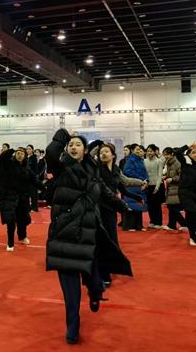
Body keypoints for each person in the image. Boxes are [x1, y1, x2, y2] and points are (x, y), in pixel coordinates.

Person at [45, 129, 132, 345]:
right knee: (70, 286)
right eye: (71, 145)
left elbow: (105, 193)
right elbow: (51, 152)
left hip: (88, 233)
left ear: (85, 150)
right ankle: (72, 327)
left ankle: (95, 292)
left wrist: (123, 206)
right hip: (64, 233)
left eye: (78, 144)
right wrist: (64, 134)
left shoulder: (94, 172)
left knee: (93, 278)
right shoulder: (61, 168)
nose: (73, 147)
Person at [91, 140, 142, 286]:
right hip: (98, 208)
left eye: (106, 151)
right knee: (102, 240)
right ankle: (103, 274)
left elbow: (122, 187)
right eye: (101, 152)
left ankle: (110, 268)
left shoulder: (116, 169)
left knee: (112, 240)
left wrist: (136, 197)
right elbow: (89, 156)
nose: (103, 154)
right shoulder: (96, 168)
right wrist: (98, 143)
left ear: (113, 155)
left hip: (111, 209)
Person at [0, 146, 43, 251]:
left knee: (23, 219)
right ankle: (10, 243)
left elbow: (35, 180)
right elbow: (1, 158)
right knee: (11, 220)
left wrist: (44, 188)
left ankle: (22, 236)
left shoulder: (27, 168)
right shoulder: (9, 165)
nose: (19, 155)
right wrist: (11, 150)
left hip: (23, 198)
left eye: (22, 153)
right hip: (9, 197)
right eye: (18, 153)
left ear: (25, 156)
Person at [121, 144, 149, 231]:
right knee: (131, 206)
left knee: (139, 205)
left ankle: (138, 226)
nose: (138, 151)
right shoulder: (130, 160)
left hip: (140, 185)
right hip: (132, 186)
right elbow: (127, 171)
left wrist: (146, 180)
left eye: (139, 149)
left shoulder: (140, 160)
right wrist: (140, 179)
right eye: (137, 149)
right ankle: (129, 226)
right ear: (132, 150)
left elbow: (145, 172)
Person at [161, 147, 187, 231]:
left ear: (172, 154)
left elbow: (182, 176)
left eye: (167, 155)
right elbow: (171, 174)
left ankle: (184, 223)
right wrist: (165, 177)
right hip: (171, 188)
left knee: (172, 207)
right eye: (164, 155)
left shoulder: (177, 163)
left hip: (176, 188)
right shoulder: (169, 163)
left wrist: (172, 179)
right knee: (171, 207)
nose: (165, 156)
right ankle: (171, 225)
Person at [144, 144, 164, 229]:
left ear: (155, 151)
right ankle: (152, 221)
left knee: (157, 205)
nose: (149, 153)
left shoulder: (159, 161)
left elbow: (160, 175)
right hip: (147, 185)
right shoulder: (144, 161)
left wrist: (157, 187)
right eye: (148, 151)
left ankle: (158, 222)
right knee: (150, 205)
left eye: (151, 151)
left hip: (156, 185)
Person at [26, 145, 40, 211]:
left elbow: (35, 169)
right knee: (27, 193)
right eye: (27, 149)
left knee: (33, 193)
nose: (28, 150)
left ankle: (35, 207)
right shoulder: (26, 157)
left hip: (32, 177)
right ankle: (28, 207)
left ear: (32, 150)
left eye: (29, 149)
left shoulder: (34, 158)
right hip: (26, 178)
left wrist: (34, 176)